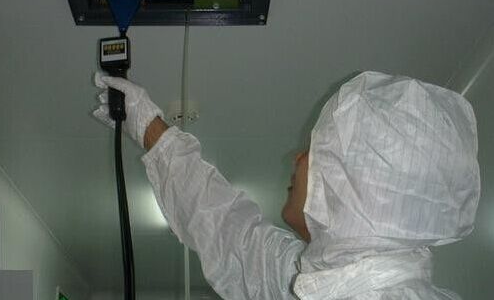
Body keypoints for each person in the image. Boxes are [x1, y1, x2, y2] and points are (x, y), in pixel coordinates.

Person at [93, 71, 480, 300]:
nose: (297, 158)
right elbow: (231, 232)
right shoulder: (309, 280)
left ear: (359, 187)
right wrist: (148, 127)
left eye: (316, 150)